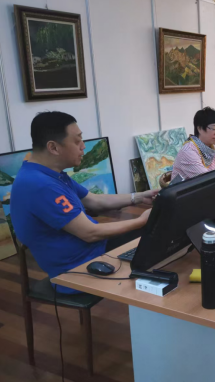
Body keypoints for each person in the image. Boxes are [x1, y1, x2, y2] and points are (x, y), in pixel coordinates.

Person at [11, 112, 158, 293]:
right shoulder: (40, 185)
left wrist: (139, 197)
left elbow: (93, 200)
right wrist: (141, 221)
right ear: (53, 147)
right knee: (156, 237)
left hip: (94, 250)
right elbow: (90, 233)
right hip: (78, 269)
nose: (83, 146)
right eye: (77, 141)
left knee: (160, 236)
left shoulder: (48, 174)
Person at [172, 107, 215, 181]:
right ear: (200, 128)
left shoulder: (214, 150)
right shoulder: (188, 151)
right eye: (214, 128)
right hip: (192, 188)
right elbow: (207, 180)